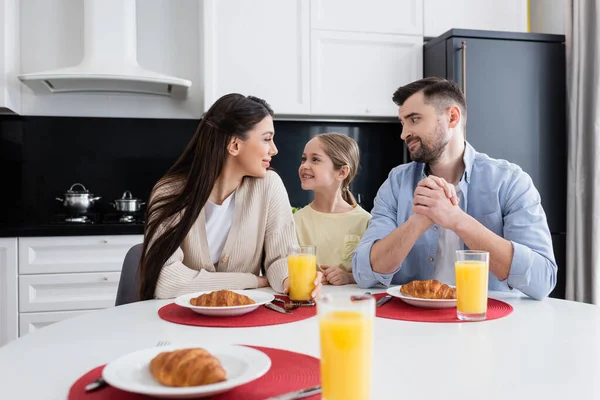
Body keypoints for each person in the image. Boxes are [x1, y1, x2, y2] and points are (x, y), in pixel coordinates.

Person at [352, 77, 557, 300]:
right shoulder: (396, 183)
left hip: (488, 324)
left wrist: (457, 220)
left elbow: (542, 280)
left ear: (452, 117)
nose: (404, 133)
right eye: (403, 123)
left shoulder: (509, 181)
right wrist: (419, 220)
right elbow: (364, 274)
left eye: (414, 119)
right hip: (411, 324)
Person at [137, 93, 323, 300]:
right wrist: (251, 281)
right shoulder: (170, 192)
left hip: (242, 318)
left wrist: (290, 280)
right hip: (179, 321)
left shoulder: (269, 186)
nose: (274, 149)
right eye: (267, 139)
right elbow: (166, 281)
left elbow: (280, 259)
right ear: (234, 145)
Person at [294, 133, 371, 285]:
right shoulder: (296, 221)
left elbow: (375, 273)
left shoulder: (365, 222)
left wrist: (348, 277)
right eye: (304, 159)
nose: (304, 165)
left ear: (342, 172)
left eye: (315, 159)